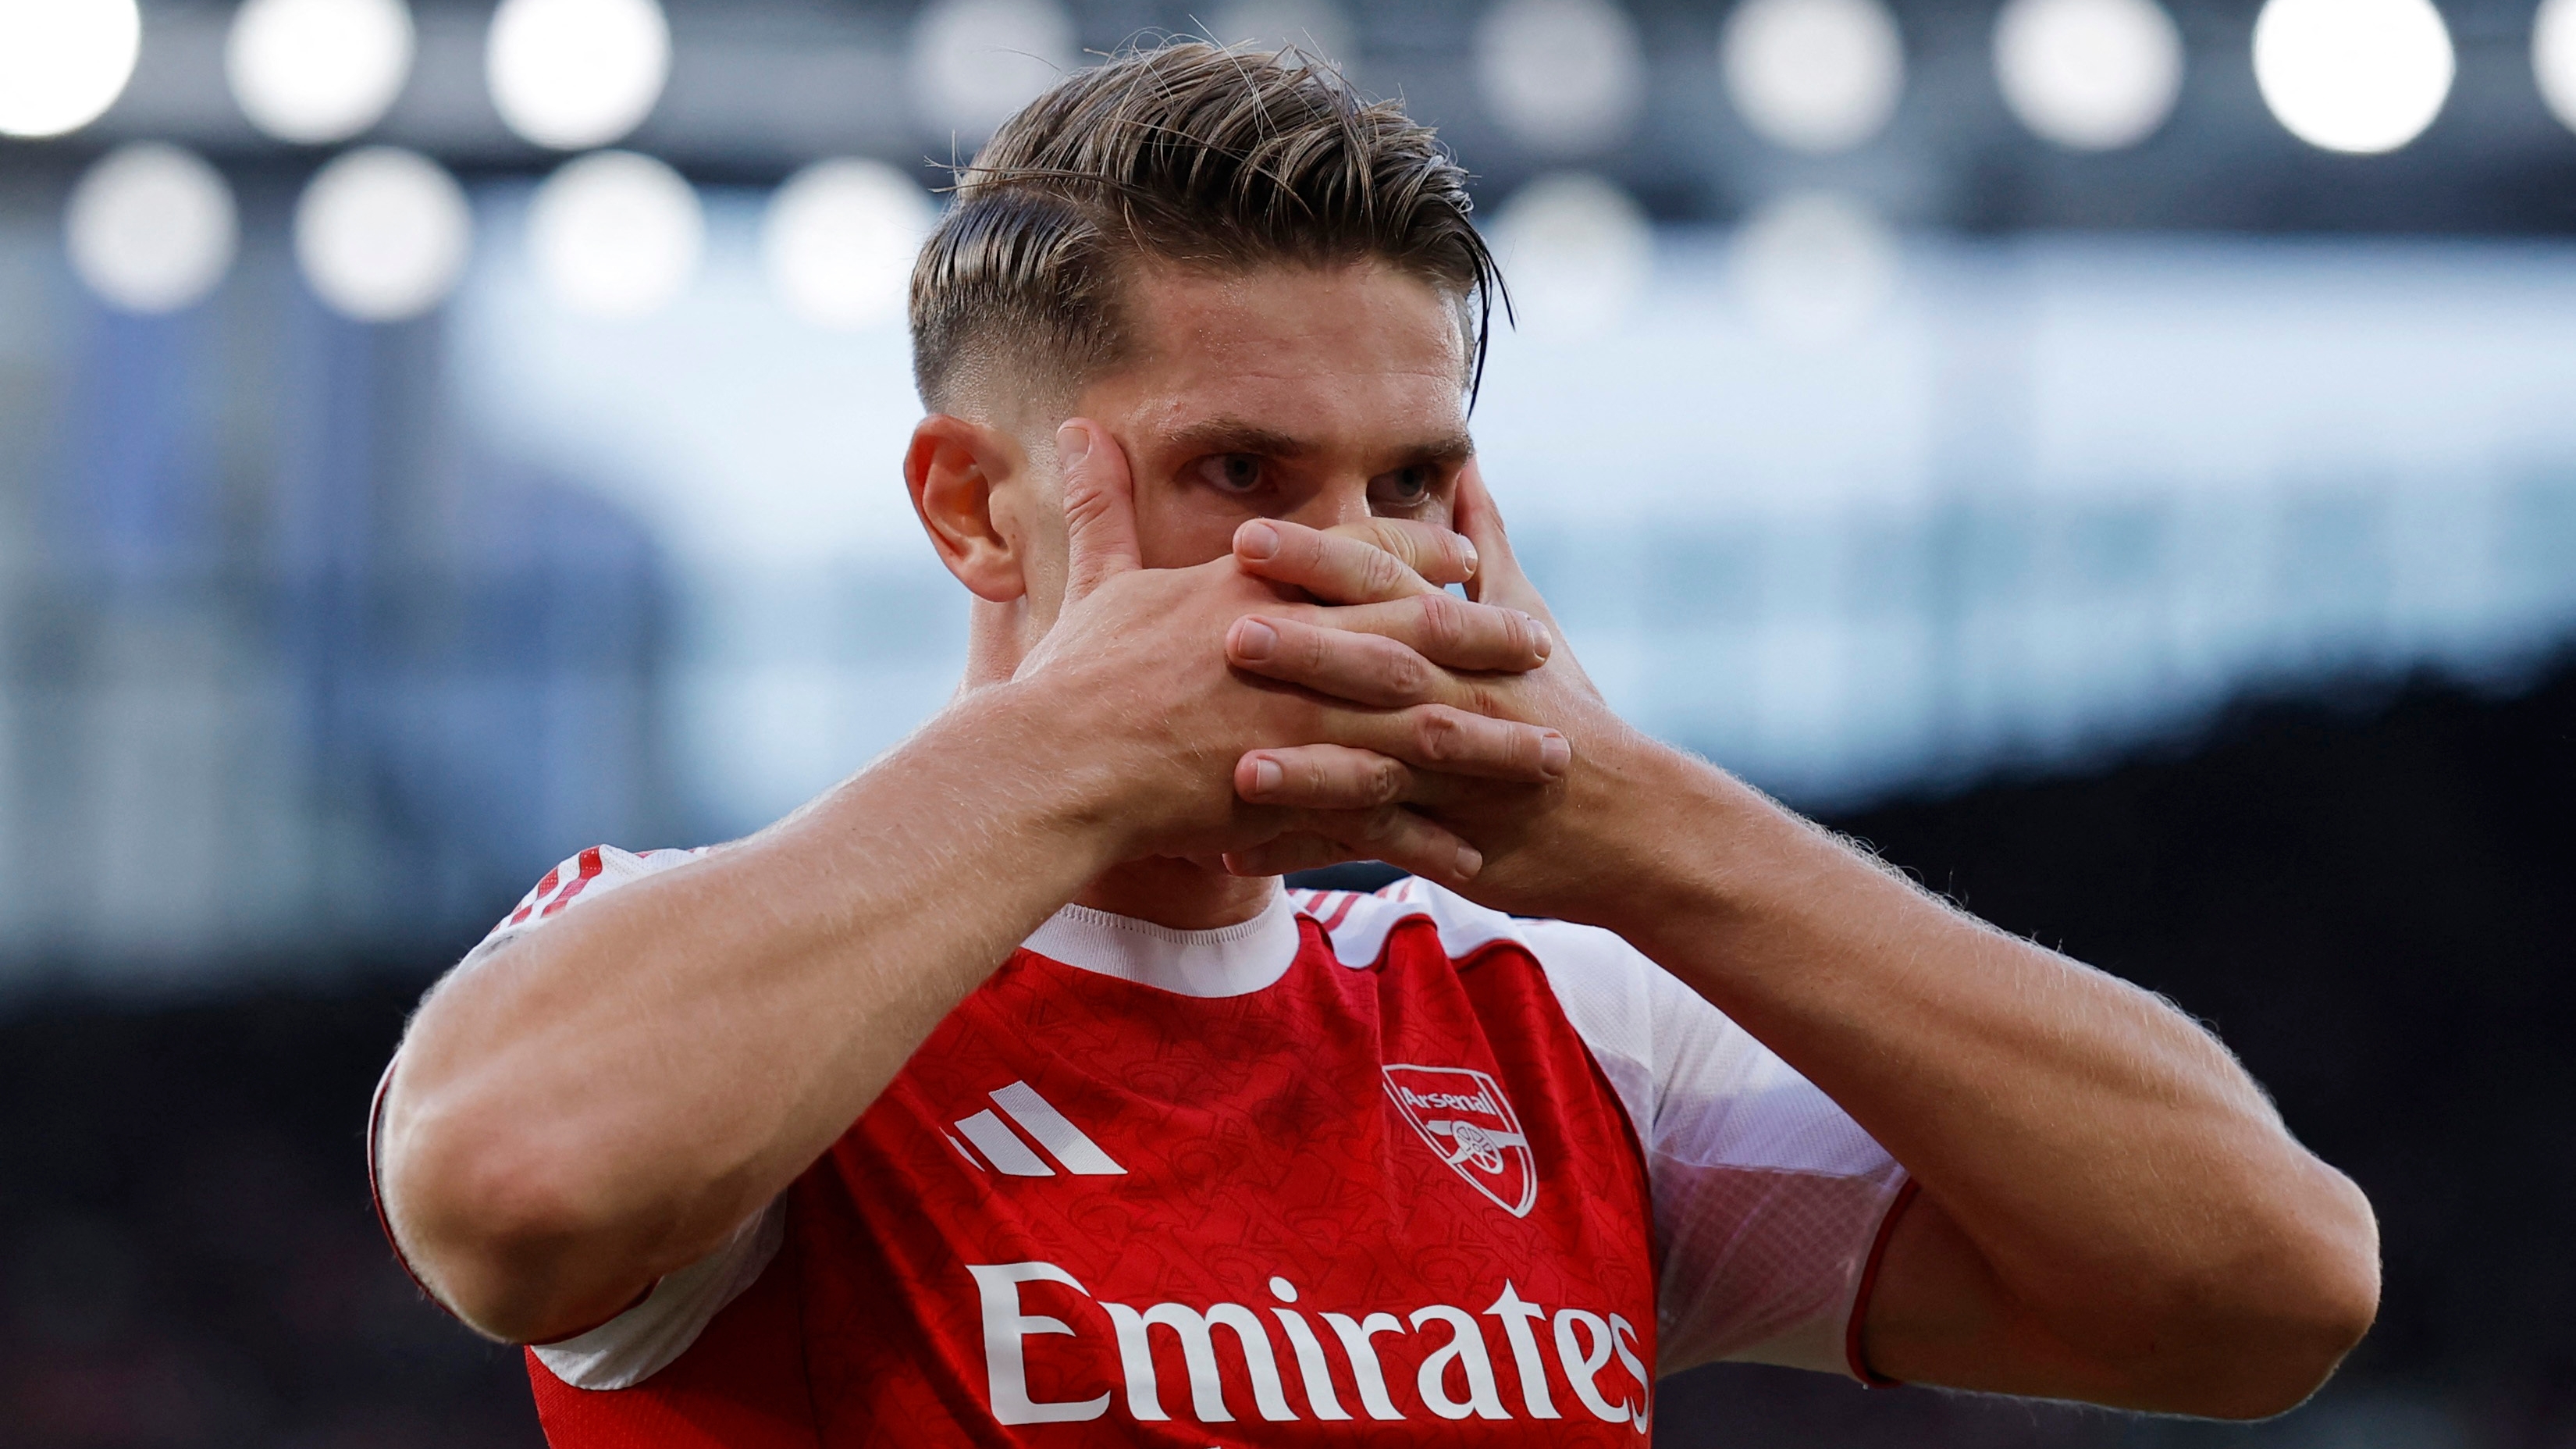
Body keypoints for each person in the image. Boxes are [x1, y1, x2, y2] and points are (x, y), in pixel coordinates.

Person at [370, 42, 2379, 1447]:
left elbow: (2264, 1287)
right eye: (1238, 469)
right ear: (980, 511)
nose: (1349, 561)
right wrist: (1068, 750)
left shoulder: (1567, 1022)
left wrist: (1639, 820)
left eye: (1412, 478)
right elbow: (516, 1187)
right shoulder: (708, 958)